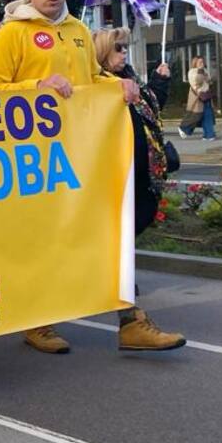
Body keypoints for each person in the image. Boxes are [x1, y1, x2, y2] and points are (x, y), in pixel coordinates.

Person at [0, 0, 181, 354]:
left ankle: (130, 321)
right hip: (35, 163)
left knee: (107, 233)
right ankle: (37, 321)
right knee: (44, 242)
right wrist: (37, 86)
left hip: (83, 156)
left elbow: (92, 78)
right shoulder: (11, 34)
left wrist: (116, 83)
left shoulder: (78, 31)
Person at [93, 29, 186, 350]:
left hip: (141, 178)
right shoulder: (95, 88)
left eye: (125, 47)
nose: (124, 53)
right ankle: (130, 319)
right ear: (103, 53)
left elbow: (148, 109)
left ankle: (122, 306)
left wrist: (159, 83)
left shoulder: (130, 81)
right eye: (118, 48)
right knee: (114, 250)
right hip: (112, 182)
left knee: (118, 246)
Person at [179, 56, 216, 140]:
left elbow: (209, 81)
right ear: (195, 63)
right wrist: (200, 71)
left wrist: (207, 76)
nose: (202, 64)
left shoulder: (205, 70)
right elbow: (197, 82)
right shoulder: (192, 72)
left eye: (203, 62)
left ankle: (209, 135)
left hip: (206, 95)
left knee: (207, 115)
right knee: (196, 115)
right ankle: (184, 128)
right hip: (198, 96)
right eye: (200, 62)